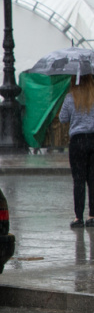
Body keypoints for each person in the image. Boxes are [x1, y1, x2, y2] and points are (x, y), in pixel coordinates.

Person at [58, 74, 94, 228]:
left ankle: (78, 217)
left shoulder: (70, 97)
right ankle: (92, 216)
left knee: (78, 180)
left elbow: (63, 118)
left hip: (77, 141)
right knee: (93, 180)